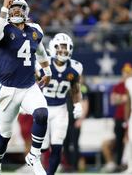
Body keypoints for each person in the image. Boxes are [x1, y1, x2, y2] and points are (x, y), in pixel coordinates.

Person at [0, 0, 52, 175]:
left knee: (41, 114)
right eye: (12, 8)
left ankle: (33, 155)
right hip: (9, 91)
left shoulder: (35, 30)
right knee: (5, 135)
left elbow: (40, 51)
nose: (16, 11)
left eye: (19, 8)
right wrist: (3, 8)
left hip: (29, 87)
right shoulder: (3, 29)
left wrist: (46, 70)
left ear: (26, 11)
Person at [38, 33, 84, 175]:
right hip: (43, 109)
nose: (63, 51)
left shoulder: (75, 67)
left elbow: (75, 89)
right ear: (53, 47)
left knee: (57, 146)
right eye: (60, 48)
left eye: (66, 48)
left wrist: (77, 104)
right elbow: (31, 85)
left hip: (60, 110)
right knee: (43, 146)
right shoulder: (43, 64)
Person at [101, 63, 132, 172]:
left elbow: (129, 100)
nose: (127, 74)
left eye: (129, 72)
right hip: (119, 118)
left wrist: (122, 98)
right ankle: (119, 164)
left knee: (131, 141)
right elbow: (113, 100)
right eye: (125, 72)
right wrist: (124, 98)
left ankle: (131, 164)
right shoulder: (118, 86)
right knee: (119, 142)